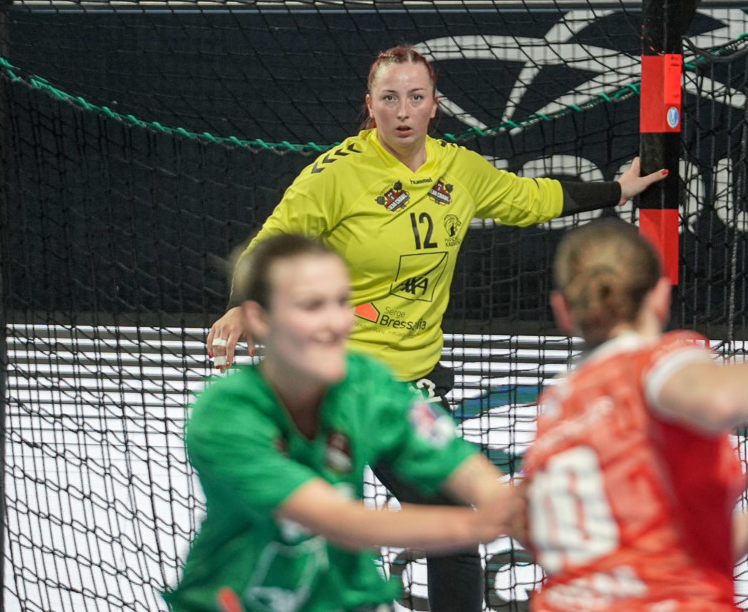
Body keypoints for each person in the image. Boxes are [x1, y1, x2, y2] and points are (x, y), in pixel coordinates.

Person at [206, 44, 668, 610]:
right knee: (313, 533)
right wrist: (237, 305)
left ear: (434, 106)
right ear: (369, 106)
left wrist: (617, 191)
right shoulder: (335, 176)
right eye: (389, 98)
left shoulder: (459, 169)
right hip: (339, 385)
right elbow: (268, 247)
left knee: (451, 530)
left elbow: (533, 199)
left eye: (415, 98)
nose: (402, 110)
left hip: (414, 387)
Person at [518, 217, 748, 611]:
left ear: (562, 310)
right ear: (661, 296)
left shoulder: (557, 406)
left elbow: (665, 562)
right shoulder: (655, 361)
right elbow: (718, 400)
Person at [166, 234, 521, 612]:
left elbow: (452, 459)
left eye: (342, 302)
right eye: (312, 306)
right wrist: (481, 526)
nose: (336, 323)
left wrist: (507, 501)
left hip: (344, 598)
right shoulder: (226, 413)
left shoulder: (366, 383)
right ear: (259, 318)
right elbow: (334, 519)